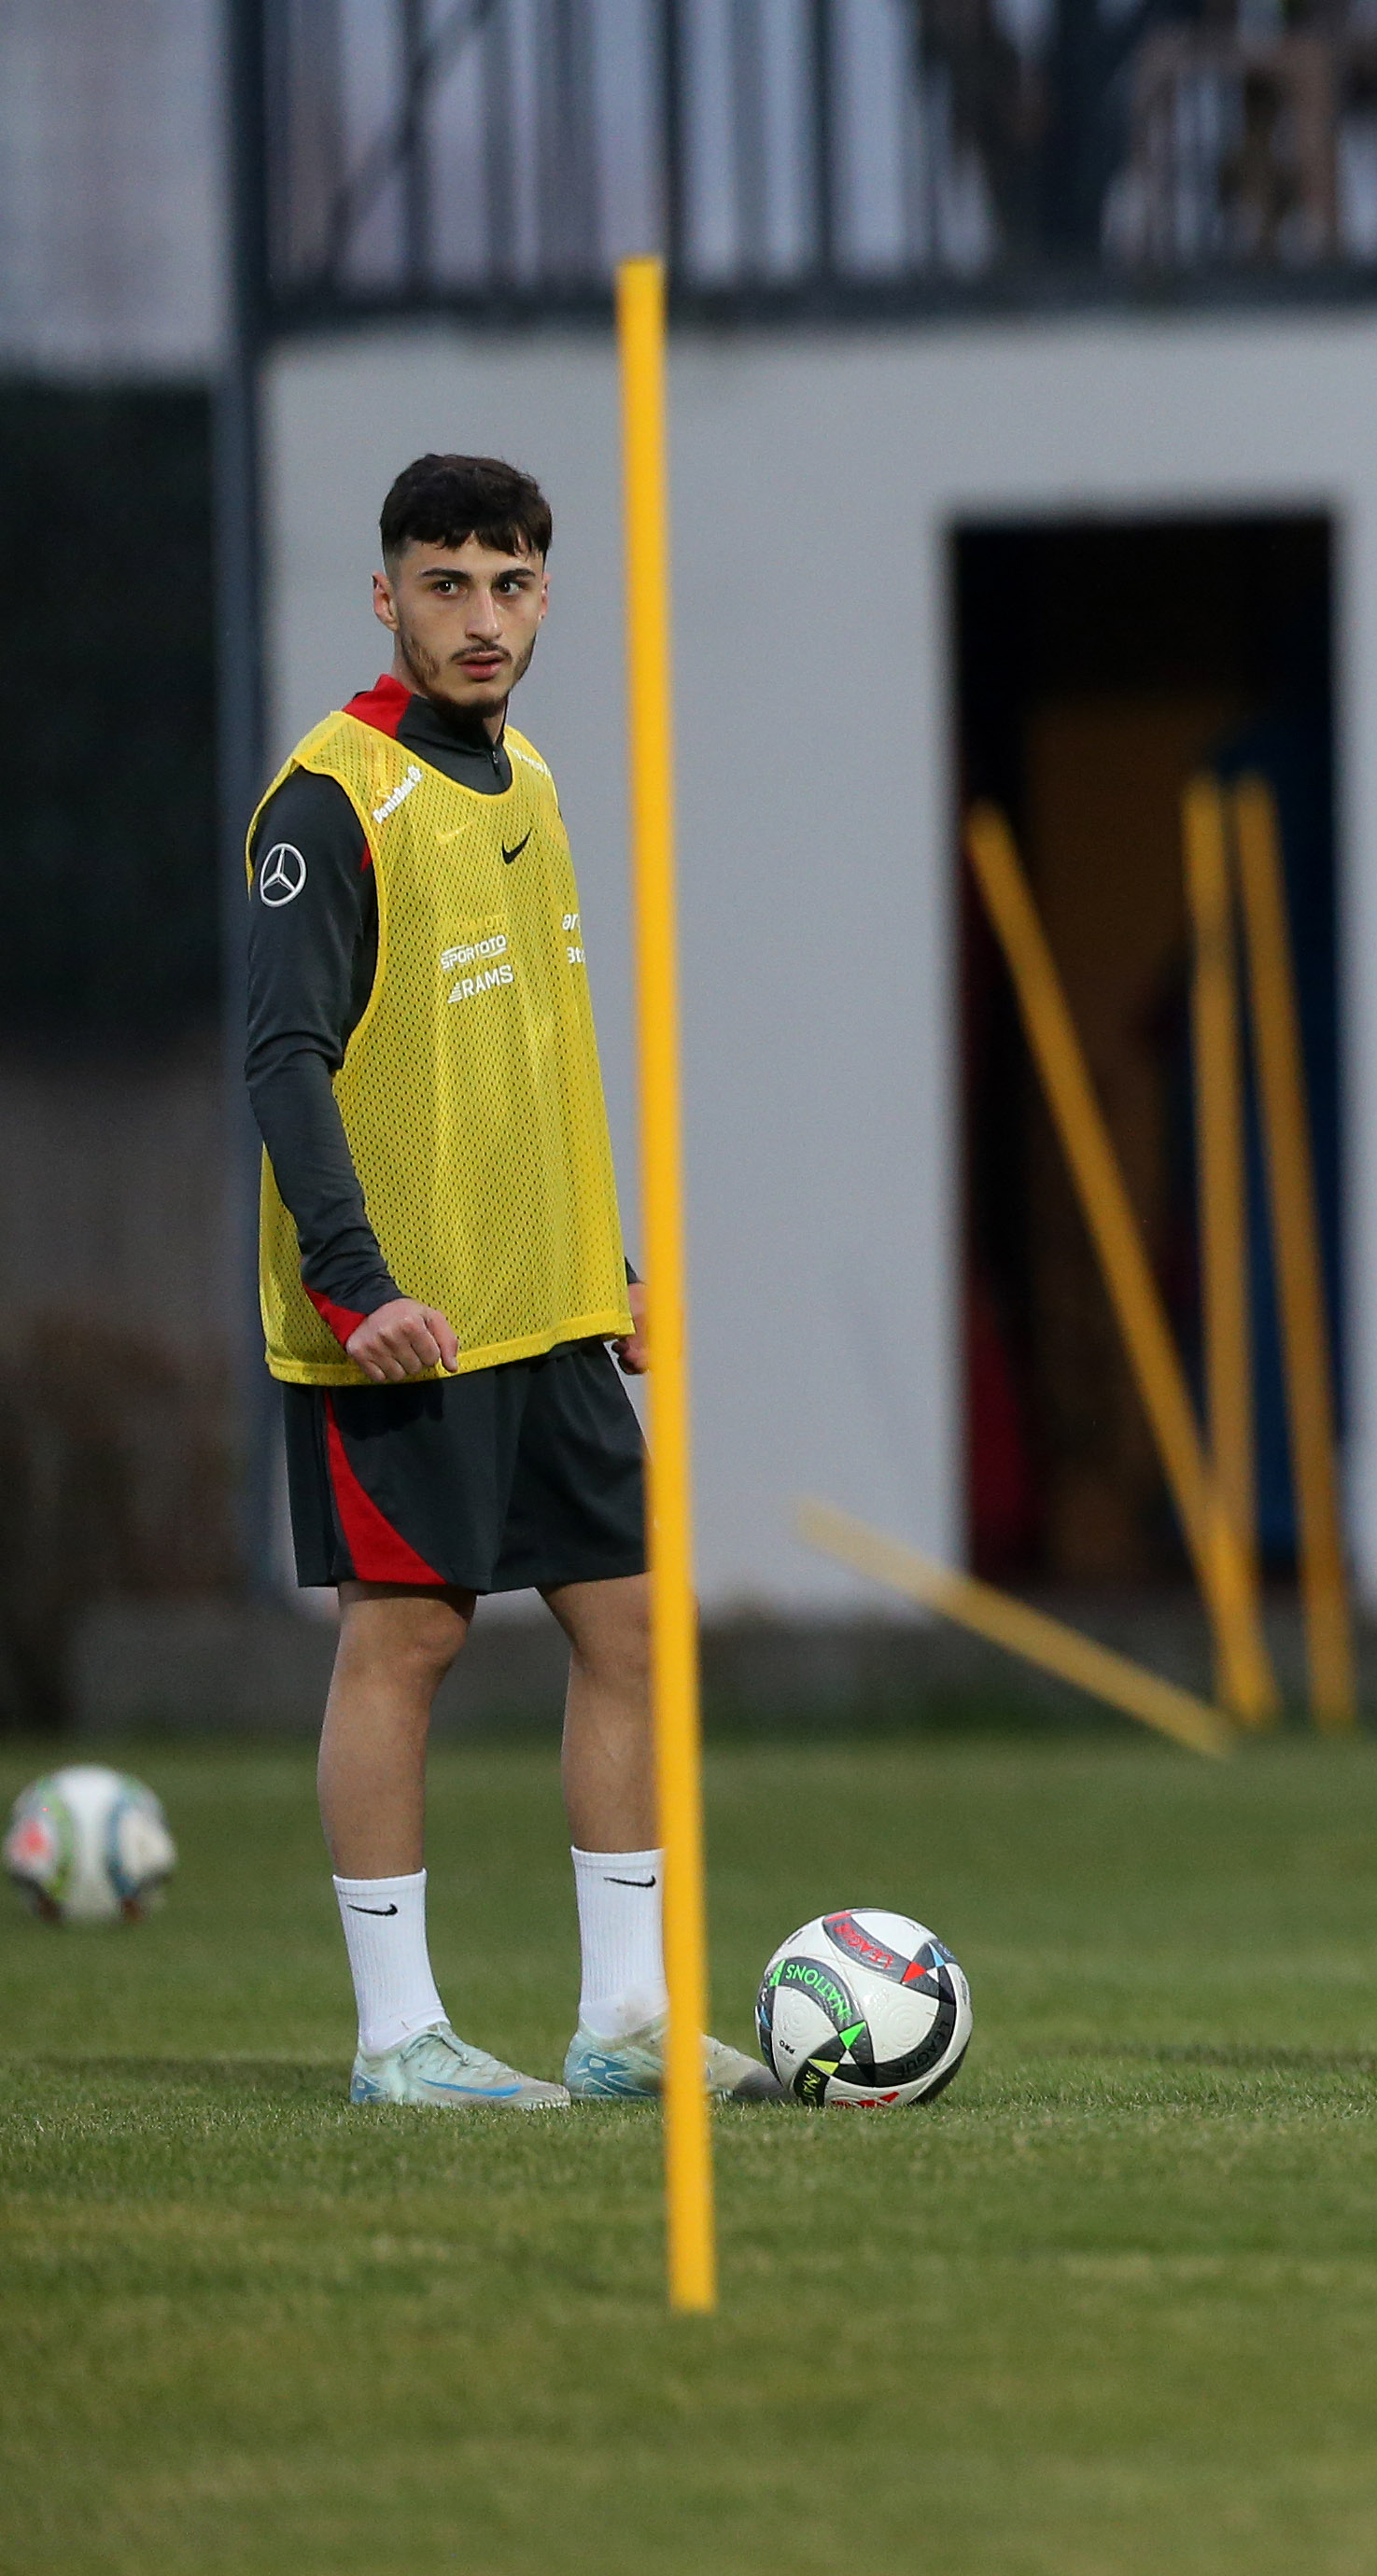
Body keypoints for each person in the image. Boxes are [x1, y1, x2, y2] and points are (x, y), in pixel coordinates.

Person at [252, 455, 771, 2109]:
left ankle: (622, 2024)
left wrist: (601, 1263)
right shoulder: (329, 801)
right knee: (405, 1646)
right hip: (400, 1326)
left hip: (543, 1310)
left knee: (632, 1629)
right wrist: (355, 1289)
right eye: (446, 583)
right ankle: (396, 2039)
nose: (482, 618)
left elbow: (525, 1058)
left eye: (511, 584)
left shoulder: (530, 779)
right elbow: (282, 1063)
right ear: (386, 595)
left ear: (548, 596)